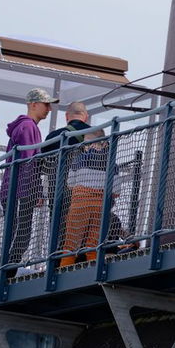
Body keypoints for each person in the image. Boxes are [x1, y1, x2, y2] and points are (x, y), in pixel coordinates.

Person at [42, 102, 110, 267]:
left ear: (67, 117)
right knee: (88, 230)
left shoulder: (53, 137)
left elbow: (41, 163)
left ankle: (56, 261)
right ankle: (87, 261)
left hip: (58, 190)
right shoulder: (96, 135)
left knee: (60, 224)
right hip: (90, 195)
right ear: (85, 116)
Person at [2, 89, 56, 263]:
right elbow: (28, 162)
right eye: (46, 104)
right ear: (34, 104)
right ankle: (2, 274)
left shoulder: (27, 126)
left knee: (15, 236)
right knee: (20, 237)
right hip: (20, 191)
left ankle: (0, 272)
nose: (49, 109)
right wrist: (36, 191)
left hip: (16, 190)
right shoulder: (28, 127)